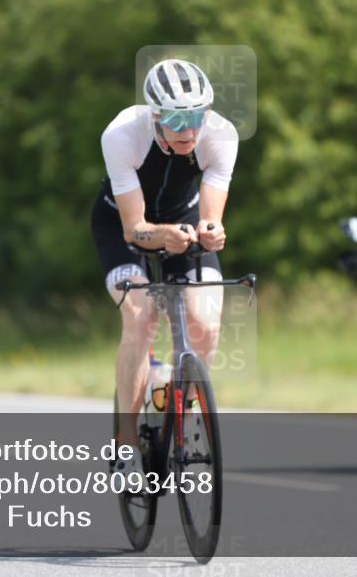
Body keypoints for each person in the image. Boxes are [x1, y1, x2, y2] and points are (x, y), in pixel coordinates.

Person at [90, 59, 238, 478]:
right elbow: (135, 229)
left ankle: (183, 410)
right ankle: (124, 446)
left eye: (196, 116)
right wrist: (163, 235)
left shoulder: (221, 134)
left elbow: (210, 215)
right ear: (154, 115)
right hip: (123, 229)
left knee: (205, 324)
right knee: (140, 318)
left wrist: (210, 231)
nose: (188, 128)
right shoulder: (122, 135)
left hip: (182, 223)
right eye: (176, 118)